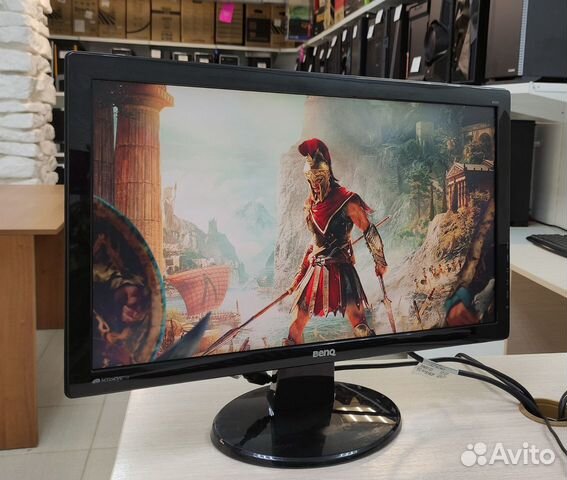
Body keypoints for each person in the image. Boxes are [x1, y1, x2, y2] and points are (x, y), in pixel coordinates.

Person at [285, 138, 388, 345]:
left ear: (327, 174)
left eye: (318, 178)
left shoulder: (346, 200)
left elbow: (368, 230)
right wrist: (298, 277)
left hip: (342, 270)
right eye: (310, 179)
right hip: (316, 270)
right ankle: (296, 361)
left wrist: (380, 261)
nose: (315, 184)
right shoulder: (310, 205)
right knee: (295, 328)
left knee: (360, 326)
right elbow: (314, 245)